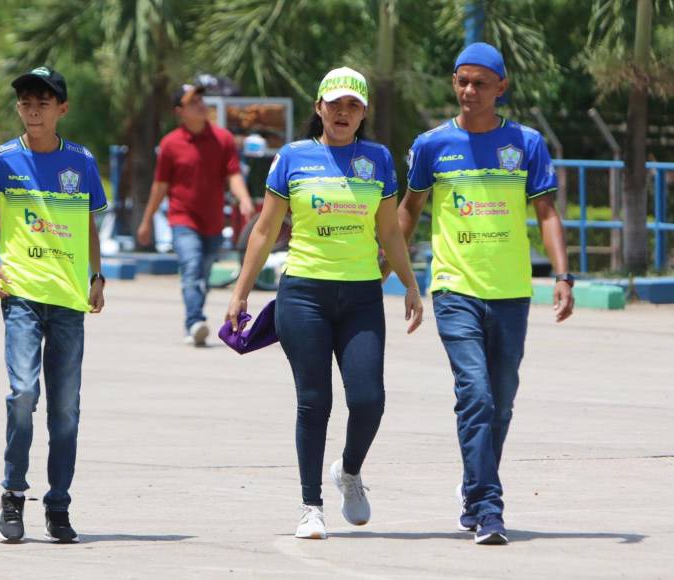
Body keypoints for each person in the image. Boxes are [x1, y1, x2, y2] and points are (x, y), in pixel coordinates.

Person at [226, 67, 423, 540]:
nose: (342, 112)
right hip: (304, 294)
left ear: (363, 113)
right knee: (314, 402)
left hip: (360, 297)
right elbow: (265, 230)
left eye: (353, 105)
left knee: (369, 401)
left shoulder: (376, 158)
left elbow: (390, 230)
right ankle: (310, 506)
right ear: (318, 108)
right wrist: (240, 292)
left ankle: (349, 472)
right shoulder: (292, 157)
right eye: (334, 103)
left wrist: (411, 285)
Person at [394, 43, 574, 545]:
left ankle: (474, 487)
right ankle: (489, 508)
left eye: (479, 83)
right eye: (461, 81)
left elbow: (546, 214)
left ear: (501, 87)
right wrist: (394, 267)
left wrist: (562, 276)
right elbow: (409, 210)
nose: (469, 91)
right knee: (474, 394)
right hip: (454, 287)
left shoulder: (527, 144)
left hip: (512, 292)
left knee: (501, 402)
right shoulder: (432, 145)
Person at [0, 66, 108, 544]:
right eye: (27, 102)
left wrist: (96, 274)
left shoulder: (82, 162)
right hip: (22, 297)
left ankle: (58, 503)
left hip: (69, 300)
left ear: (62, 109)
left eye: (44, 102)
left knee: (66, 409)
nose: (34, 109)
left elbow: (90, 223)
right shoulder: (3, 159)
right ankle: (12, 495)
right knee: (23, 395)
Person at [138, 83, 255, 346]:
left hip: (213, 222)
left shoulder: (222, 139)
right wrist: (147, 220)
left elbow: (233, 174)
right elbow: (160, 186)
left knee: (202, 273)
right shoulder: (170, 144)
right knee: (191, 268)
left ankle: (195, 319)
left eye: (202, 99)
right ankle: (194, 322)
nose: (201, 104)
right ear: (180, 111)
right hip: (182, 219)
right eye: (193, 101)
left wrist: (244, 198)